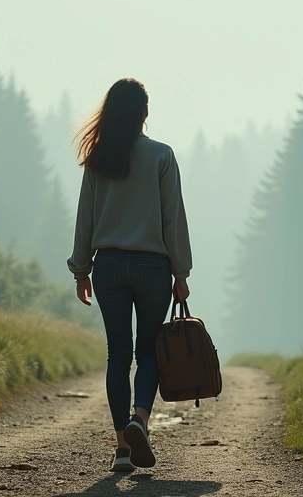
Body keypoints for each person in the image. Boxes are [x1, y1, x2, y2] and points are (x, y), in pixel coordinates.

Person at [67, 78, 193, 473]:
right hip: (153, 267)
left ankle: (122, 447)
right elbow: (173, 219)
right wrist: (181, 271)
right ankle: (140, 418)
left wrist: (80, 269)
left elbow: (85, 216)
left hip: (107, 267)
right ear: (144, 112)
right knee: (150, 350)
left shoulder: (98, 159)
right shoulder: (162, 156)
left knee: (117, 354)